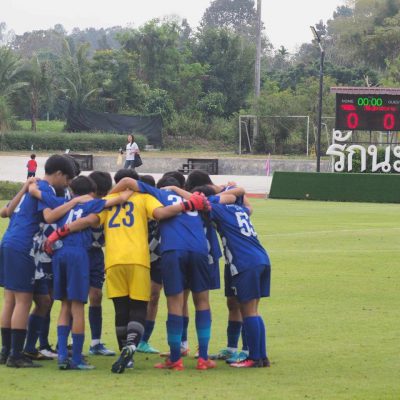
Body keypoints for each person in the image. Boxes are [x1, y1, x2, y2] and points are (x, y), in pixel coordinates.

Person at [45, 177, 209, 373]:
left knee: (120, 309)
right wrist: (187, 205)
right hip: (138, 259)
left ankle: (125, 352)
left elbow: (90, 221)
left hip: (114, 261)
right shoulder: (144, 198)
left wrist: (60, 232)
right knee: (138, 307)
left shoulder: (109, 200)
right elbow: (161, 213)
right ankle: (131, 346)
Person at [110, 176, 215, 371]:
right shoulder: (193, 198)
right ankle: (203, 358)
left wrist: (109, 197)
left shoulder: (158, 194)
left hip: (173, 249)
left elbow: (127, 180)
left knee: (175, 302)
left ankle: (175, 359)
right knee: (202, 301)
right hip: (199, 249)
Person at [35, 176, 132, 370]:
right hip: (78, 254)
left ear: (71, 190)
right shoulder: (92, 204)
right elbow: (120, 198)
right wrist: (131, 187)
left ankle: (62, 356)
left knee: (64, 305)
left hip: (59, 253)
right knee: (77, 306)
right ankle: (77, 358)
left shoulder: (64, 203)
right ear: (92, 191)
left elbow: (45, 205)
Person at [0, 155, 78, 368]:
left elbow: (6, 211)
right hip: (24, 245)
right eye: (67, 179)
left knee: (36, 300)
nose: (68, 184)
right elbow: (50, 215)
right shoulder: (45, 188)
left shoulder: (33, 186)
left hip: (12, 242)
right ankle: (14, 354)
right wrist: (74, 202)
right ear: (59, 174)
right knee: (21, 301)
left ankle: (9, 351)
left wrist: (27, 188)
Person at [203, 186, 271, 368]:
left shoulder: (218, 209)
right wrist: (233, 190)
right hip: (261, 259)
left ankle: (253, 358)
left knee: (248, 311)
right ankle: (261, 357)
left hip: (244, 262)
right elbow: (245, 201)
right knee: (254, 311)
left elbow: (203, 203)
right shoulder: (240, 209)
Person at [86, 171, 116, 357]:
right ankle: (71, 341)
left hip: (96, 254)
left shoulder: (108, 205)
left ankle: (95, 342)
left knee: (96, 295)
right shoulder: (82, 203)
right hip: (80, 252)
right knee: (74, 298)